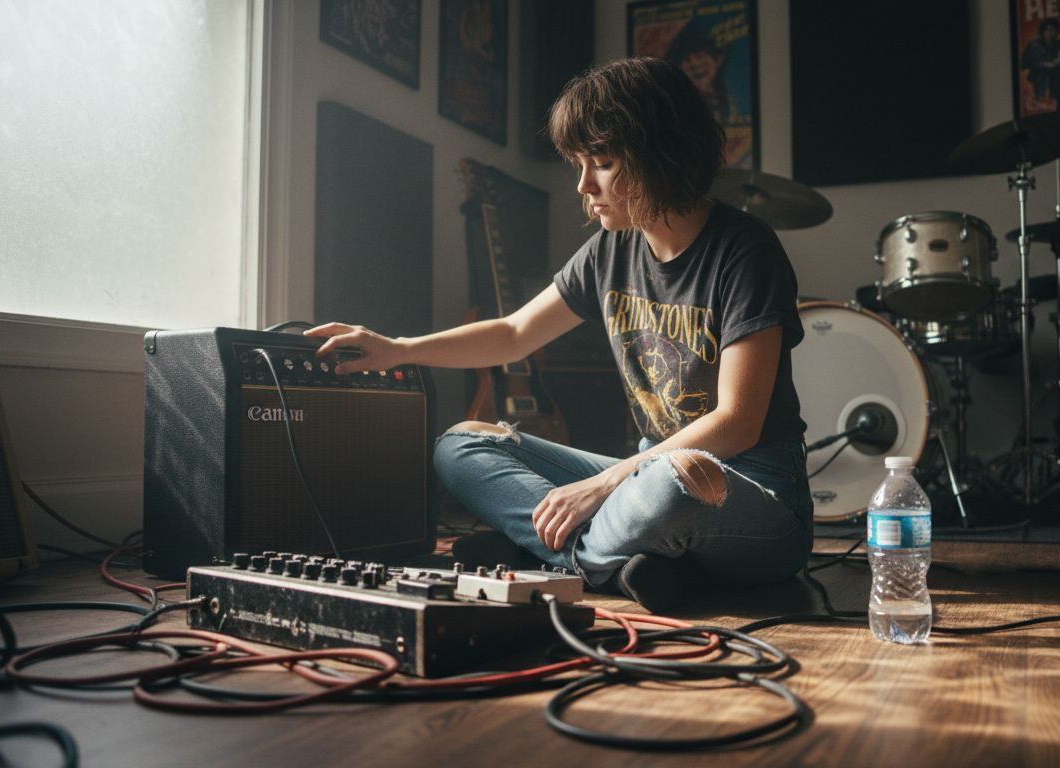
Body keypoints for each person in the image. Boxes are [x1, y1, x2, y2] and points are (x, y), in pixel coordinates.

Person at [305, 57, 812, 612]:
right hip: (641, 477)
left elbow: (737, 423)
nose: (583, 184)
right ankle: (614, 563)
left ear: (659, 157)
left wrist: (607, 484)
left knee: (672, 485)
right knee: (460, 445)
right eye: (579, 162)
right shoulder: (610, 249)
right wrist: (399, 348)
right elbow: (513, 333)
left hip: (749, 493)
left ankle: (555, 558)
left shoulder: (745, 250)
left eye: (603, 162)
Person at [1020, 18, 1060, 108]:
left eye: (1053, 30)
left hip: (1056, 76)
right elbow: (1025, 63)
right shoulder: (1034, 44)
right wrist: (1045, 64)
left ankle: (1058, 101)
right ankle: (1041, 100)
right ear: (1043, 31)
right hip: (1038, 76)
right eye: (1047, 30)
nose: (1050, 33)